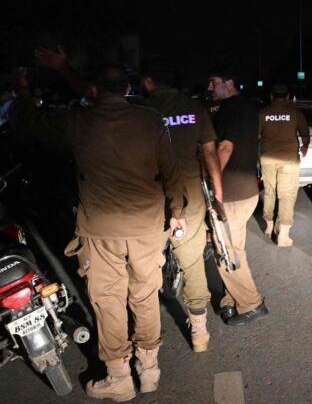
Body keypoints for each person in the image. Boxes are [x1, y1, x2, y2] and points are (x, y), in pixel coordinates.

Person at [16, 64, 187, 401]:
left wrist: (23, 91)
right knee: (145, 297)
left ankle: (119, 378)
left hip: (100, 231)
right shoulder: (151, 120)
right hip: (146, 227)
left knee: (108, 301)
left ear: (94, 91)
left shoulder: (78, 122)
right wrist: (177, 212)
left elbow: (30, 124)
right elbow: (171, 169)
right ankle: (149, 371)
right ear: (127, 89)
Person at [139, 58, 223, 352]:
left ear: (148, 81)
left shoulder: (140, 110)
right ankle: (199, 331)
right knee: (191, 259)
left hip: (149, 194)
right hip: (189, 194)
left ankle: (145, 339)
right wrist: (218, 192)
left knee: (144, 262)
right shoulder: (194, 108)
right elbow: (210, 153)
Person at [207, 73, 268, 325]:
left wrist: (211, 181)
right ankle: (230, 300)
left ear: (229, 83)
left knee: (226, 251)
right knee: (234, 248)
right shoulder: (250, 107)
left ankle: (251, 305)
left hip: (230, 193)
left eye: (214, 82)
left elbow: (225, 147)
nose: (209, 87)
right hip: (247, 190)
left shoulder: (229, 108)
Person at [258, 84, 310, 247]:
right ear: (287, 96)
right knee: (287, 195)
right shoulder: (295, 112)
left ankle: (269, 226)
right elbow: (305, 133)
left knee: (269, 193)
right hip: (289, 159)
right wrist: (304, 146)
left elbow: (256, 135)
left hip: (267, 158)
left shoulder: (263, 113)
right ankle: (283, 234)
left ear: (271, 96)